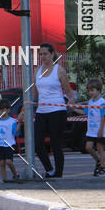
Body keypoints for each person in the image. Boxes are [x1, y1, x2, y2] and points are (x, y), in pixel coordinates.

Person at [34, 42, 75, 178]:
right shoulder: (37, 71)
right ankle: (49, 169)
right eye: (41, 54)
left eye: (45, 54)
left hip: (57, 110)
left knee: (55, 142)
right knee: (38, 143)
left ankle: (58, 173)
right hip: (41, 110)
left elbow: (68, 91)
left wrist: (71, 101)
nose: (43, 56)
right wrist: (24, 110)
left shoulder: (59, 70)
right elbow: (34, 94)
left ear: (52, 54)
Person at [74, 78, 105, 176]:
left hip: (100, 130)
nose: (90, 92)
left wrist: (101, 130)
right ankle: (98, 161)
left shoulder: (102, 102)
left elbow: (104, 116)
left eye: (92, 90)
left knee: (99, 148)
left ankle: (103, 168)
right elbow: (86, 112)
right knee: (88, 147)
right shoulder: (90, 102)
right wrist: (74, 108)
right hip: (91, 130)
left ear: (98, 90)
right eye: (89, 90)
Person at [0, 99, 22, 182]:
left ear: (8, 110)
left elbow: (16, 133)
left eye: (4, 109)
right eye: (0, 110)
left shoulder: (12, 121)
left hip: (9, 145)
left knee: (8, 161)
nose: (2, 111)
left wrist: (20, 124)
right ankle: (4, 180)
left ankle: (15, 174)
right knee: (1, 163)